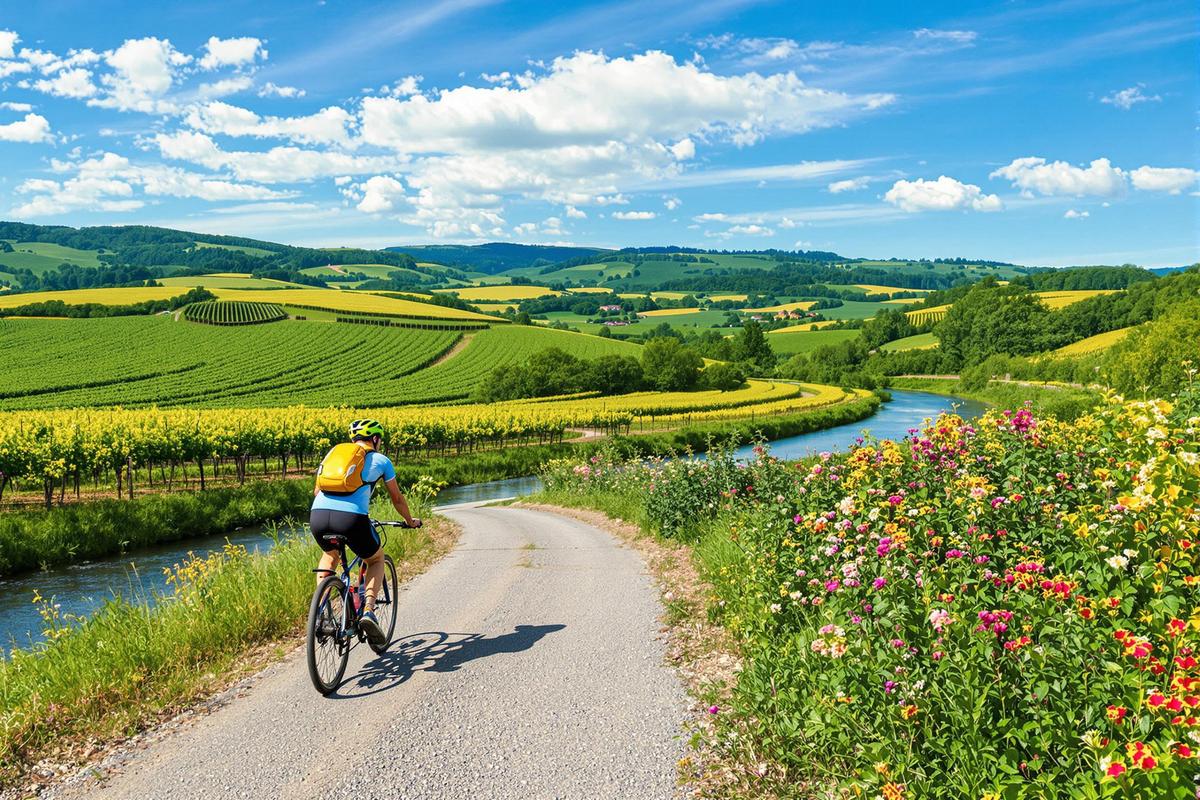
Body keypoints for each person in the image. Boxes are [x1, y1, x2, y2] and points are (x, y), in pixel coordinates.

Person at [310, 419, 420, 645]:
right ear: (376, 439)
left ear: (354, 439)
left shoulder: (334, 454)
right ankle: (369, 611)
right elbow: (397, 499)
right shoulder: (381, 460)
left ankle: (321, 613)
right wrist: (409, 521)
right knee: (376, 559)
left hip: (318, 516)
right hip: (352, 520)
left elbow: (316, 490)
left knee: (330, 555)